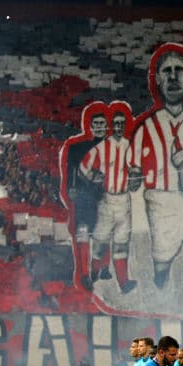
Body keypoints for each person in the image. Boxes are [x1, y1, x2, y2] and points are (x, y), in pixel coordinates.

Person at [128, 43, 183, 310]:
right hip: (161, 201)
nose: (174, 77)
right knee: (163, 258)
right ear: (158, 80)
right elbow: (133, 169)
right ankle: (160, 280)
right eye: (167, 71)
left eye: (179, 70)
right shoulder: (146, 127)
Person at [81, 101, 136, 293]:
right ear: (112, 126)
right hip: (107, 200)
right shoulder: (102, 147)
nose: (119, 126)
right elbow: (84, 166)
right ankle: (92, 277)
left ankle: (124, 283)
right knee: (100, 243)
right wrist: (93, 178)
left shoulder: (130, 146)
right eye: (117, 123)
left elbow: (138, 167)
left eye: (123, 123)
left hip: (124, 200)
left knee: (122, 243)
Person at [61, 102, 107, 290]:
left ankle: (98, 270)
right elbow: (72, 171)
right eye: (95, 124)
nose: (99, 127)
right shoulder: (78, 148)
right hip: (84, 199)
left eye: (102, 124)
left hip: (106, 198)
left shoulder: (114, 146)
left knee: (104, 235)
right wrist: (72, 189)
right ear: (90, 126)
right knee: (83, 234)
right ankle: (85, 275)